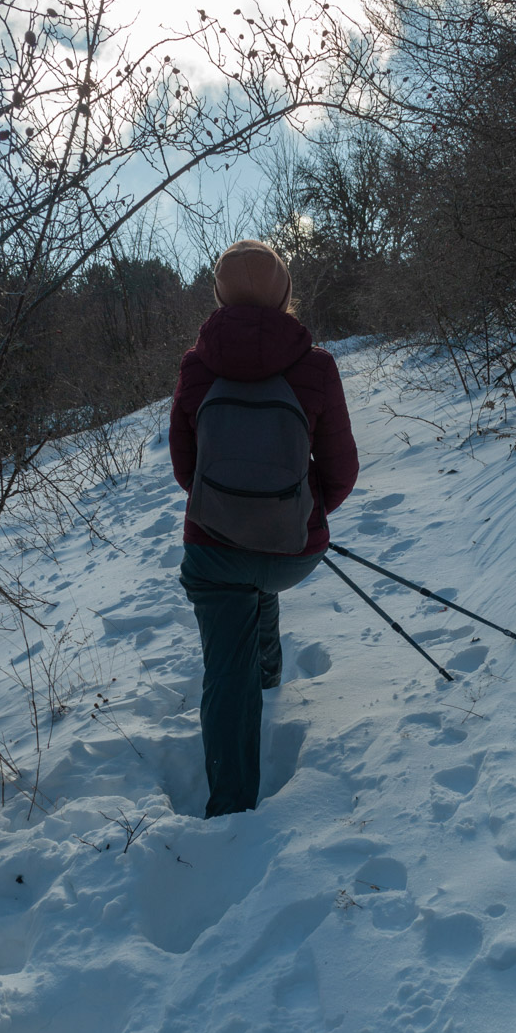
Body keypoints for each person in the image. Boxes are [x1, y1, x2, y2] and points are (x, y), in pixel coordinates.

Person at [169, 240, 359, 818]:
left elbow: (185, 470)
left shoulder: (196, 368)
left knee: (228, 673)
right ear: (284, 294)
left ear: (219, 295)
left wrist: (232, 510)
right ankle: (270, 668)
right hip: (292, 550)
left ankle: (230, 809)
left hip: (215, 549)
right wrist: (295, 511)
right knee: (261, 571)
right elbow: (341, 472)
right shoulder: (316, 367)